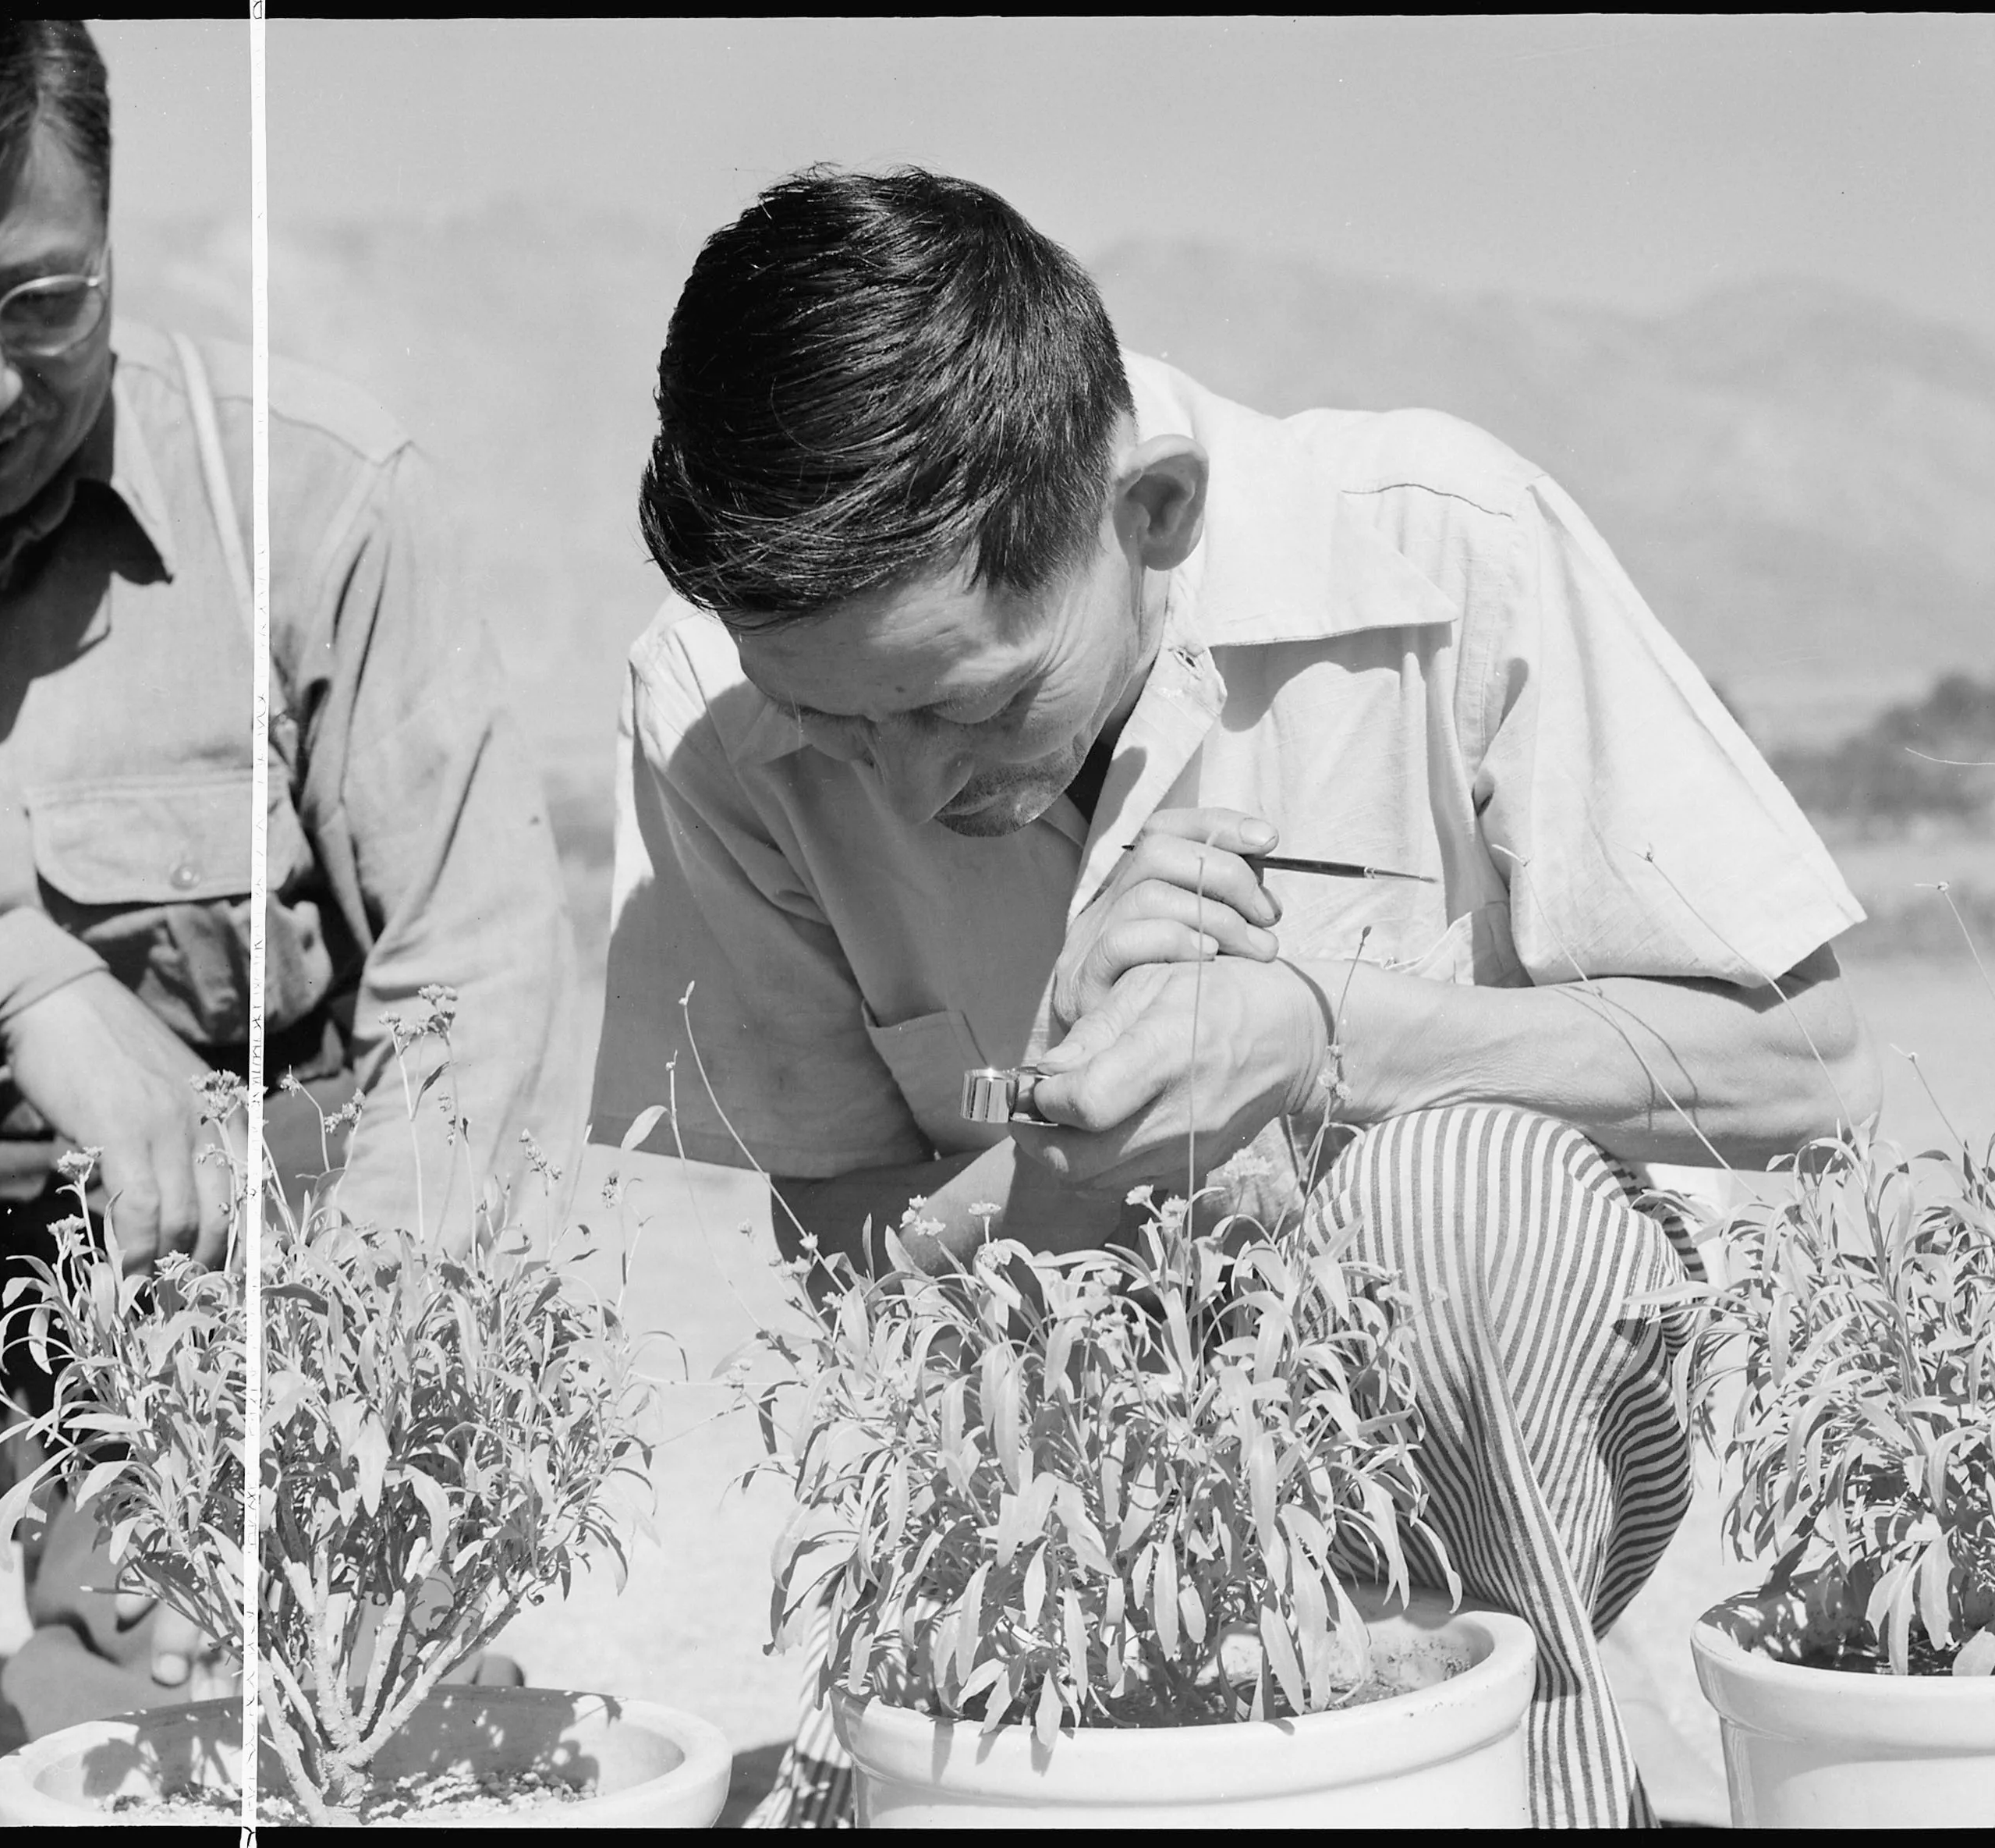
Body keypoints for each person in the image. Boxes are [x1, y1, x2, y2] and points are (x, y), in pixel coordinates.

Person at [596, 165, 1880, 1827]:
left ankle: (1531, 1743)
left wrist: (1318, 1036)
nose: (904, 793)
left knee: (1457, 1188)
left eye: (969, 704)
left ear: (1156, 512)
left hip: (1495, 1451)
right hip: (1054, 1477)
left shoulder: (1445, 541)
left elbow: (1808, 1065)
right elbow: (834, 1230)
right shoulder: (706, 706)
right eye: (836, 728)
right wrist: (1060, 1180)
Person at [0, 20, 579, 1739]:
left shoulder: (312, 502)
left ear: (113, 229)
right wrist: (12, 975)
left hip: (212, 1304)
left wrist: (328, 1418)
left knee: (285, 1701)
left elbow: (472, 986)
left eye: (38, 302)